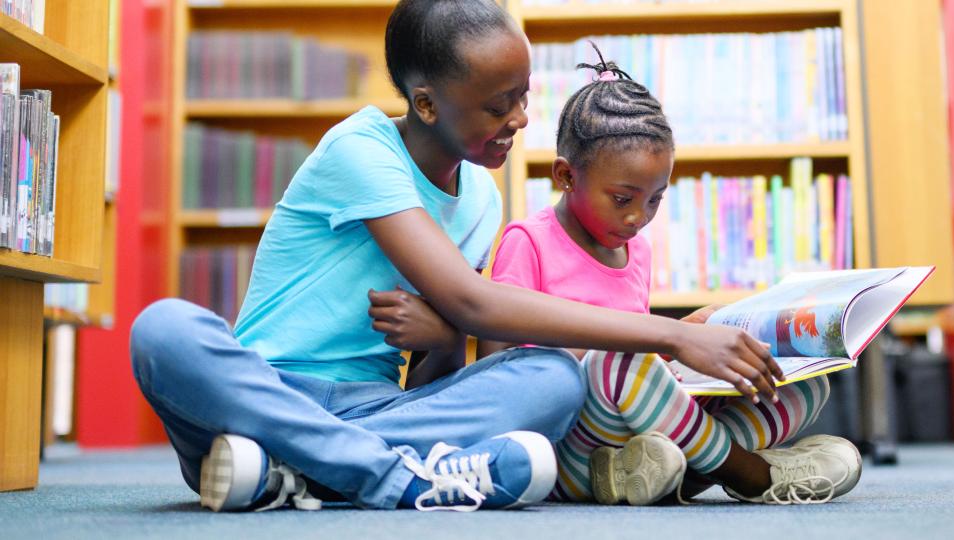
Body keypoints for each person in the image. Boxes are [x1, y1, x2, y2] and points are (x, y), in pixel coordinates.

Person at [129, 0, 779, 513]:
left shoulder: (480, 198)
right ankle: (387, 479)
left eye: (523, 96)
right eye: (499, 105)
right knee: (163, 331)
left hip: (372, 411)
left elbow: (436, 371)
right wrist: (672, 336)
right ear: (427, 104)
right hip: (260, 399)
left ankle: (289, 476)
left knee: (551, 377)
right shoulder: (360, 149)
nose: (521, 118)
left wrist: (446, 335)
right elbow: (476, 302)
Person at [377, 48, 861, 507]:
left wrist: (692, 331)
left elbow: (639, 329)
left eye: (655, 199)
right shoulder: (528, 240)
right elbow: (503, 367)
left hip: (637, 431)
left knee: (799, 379)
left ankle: (670, 468)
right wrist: (641, 350)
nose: (638, 218)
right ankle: (746, 473)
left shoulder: (637, 249)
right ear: (566, 176)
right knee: (623, 365)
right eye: (623, 198)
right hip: (568, 444)